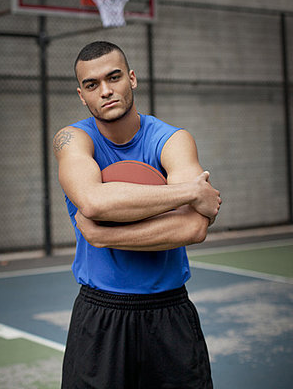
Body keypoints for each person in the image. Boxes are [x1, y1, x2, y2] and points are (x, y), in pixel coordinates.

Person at [53, 40, 221, 389]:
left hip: (169, 312)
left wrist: (104, 236)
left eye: (114, 77)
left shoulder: (173, 140)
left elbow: (193, 227)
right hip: (100, 315)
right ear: (82, 96)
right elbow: (93, 203)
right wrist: (190, 191)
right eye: (92, 84)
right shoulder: (71, 139)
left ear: (132, 78)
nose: (106, 90)